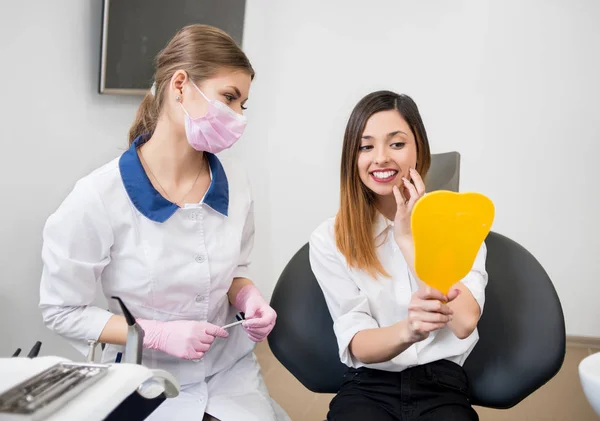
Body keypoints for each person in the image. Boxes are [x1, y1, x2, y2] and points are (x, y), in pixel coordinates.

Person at [39, 24, 290, 421]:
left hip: (229, 374)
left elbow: (235, 271)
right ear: (179, 85)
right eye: (229, 97)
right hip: (143, 376)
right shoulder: (98, 197)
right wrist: (152, 333)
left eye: (243, 104)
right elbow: (62, 310)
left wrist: (247, 298)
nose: (239, 117)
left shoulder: (236, 180)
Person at [308, 90, 487, 421]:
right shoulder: (330, 238)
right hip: (368, 384)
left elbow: (463, 323)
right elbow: (358, 343)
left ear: (419, 148)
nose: (380, 158)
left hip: (443, 384)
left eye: (396, 143)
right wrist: (409, 330)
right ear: (353, 157)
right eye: (366, 146)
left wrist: (409, 240)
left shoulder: (460, 225)